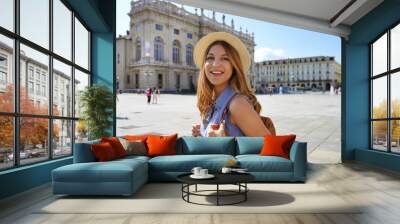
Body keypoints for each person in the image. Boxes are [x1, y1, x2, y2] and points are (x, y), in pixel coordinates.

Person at [191, 32, 272, 137]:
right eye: (210, 58)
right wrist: (202, 133)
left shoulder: (237, 104)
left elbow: (271, 148)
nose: (215, 64)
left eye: (225, 58)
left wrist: (223, 142)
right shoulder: (213, 101)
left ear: (234, 66)